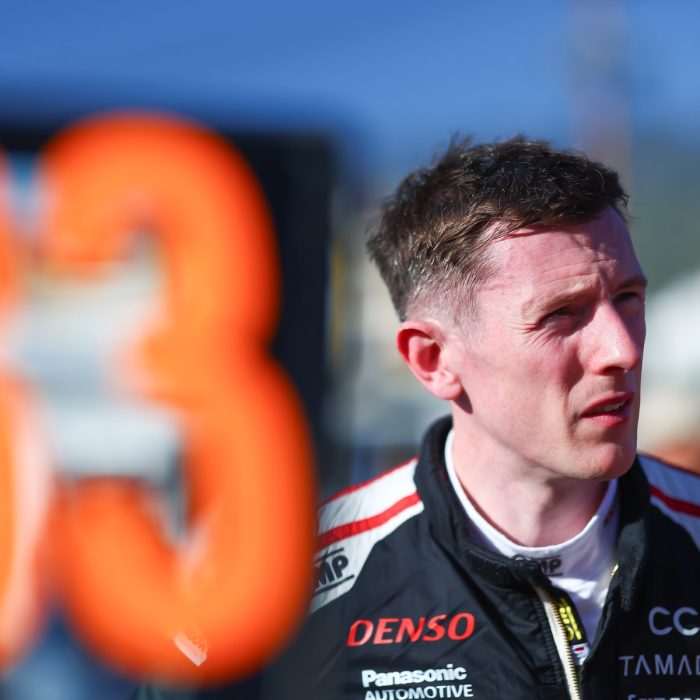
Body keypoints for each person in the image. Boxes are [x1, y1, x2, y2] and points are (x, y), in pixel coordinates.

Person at [304, 137, 700, 699]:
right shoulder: (296, 587)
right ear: (433, 360)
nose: (623, 350)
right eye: (560, 315)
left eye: (628, 299)